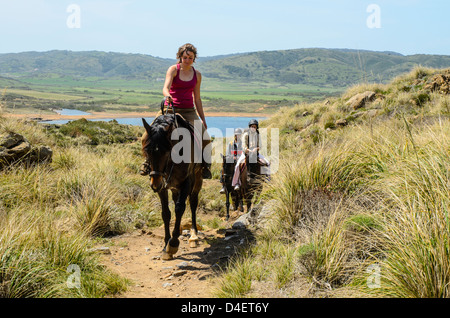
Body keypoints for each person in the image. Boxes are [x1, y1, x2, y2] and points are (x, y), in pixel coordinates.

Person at [140, 43, 212, 179]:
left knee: (206, 138)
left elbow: (197, 98)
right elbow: (165, 87)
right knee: (146, 136)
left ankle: (205, 166)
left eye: (190, 58)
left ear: (194, 58)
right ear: (180, 57)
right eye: (185, 57)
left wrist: (203, 118)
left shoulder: (197, 75)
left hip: (188, 110)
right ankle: (147, 162)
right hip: (169, 109)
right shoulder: (173, 70)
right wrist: (167, 95)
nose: (187, 60)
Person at [231, 119, 269, 191]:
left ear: (256, 127)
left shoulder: (258, 135)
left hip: (256, 154)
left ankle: (267, 179)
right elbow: (244, 146)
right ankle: (236, 183)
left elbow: (260, 145)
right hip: (246, 154)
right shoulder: (246, 135)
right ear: (250, 127)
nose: (253, 128)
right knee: (237, 166)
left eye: (254, 127)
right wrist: (249, 150)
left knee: (267, 163)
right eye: (252, 126)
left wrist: (256, 149)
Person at [219, 128, 243, 194]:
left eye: (239, 135)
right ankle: (223, 185)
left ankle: (238, 183)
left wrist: (238, 158)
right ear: (235, 135)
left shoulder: (242, 144)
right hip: (232, 160)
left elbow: (244, 153)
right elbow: (227, 154)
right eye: (236, 135)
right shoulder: (231, 144)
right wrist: (232, 157)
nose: (237, 136)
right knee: (223, 168)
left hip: (240, 160)